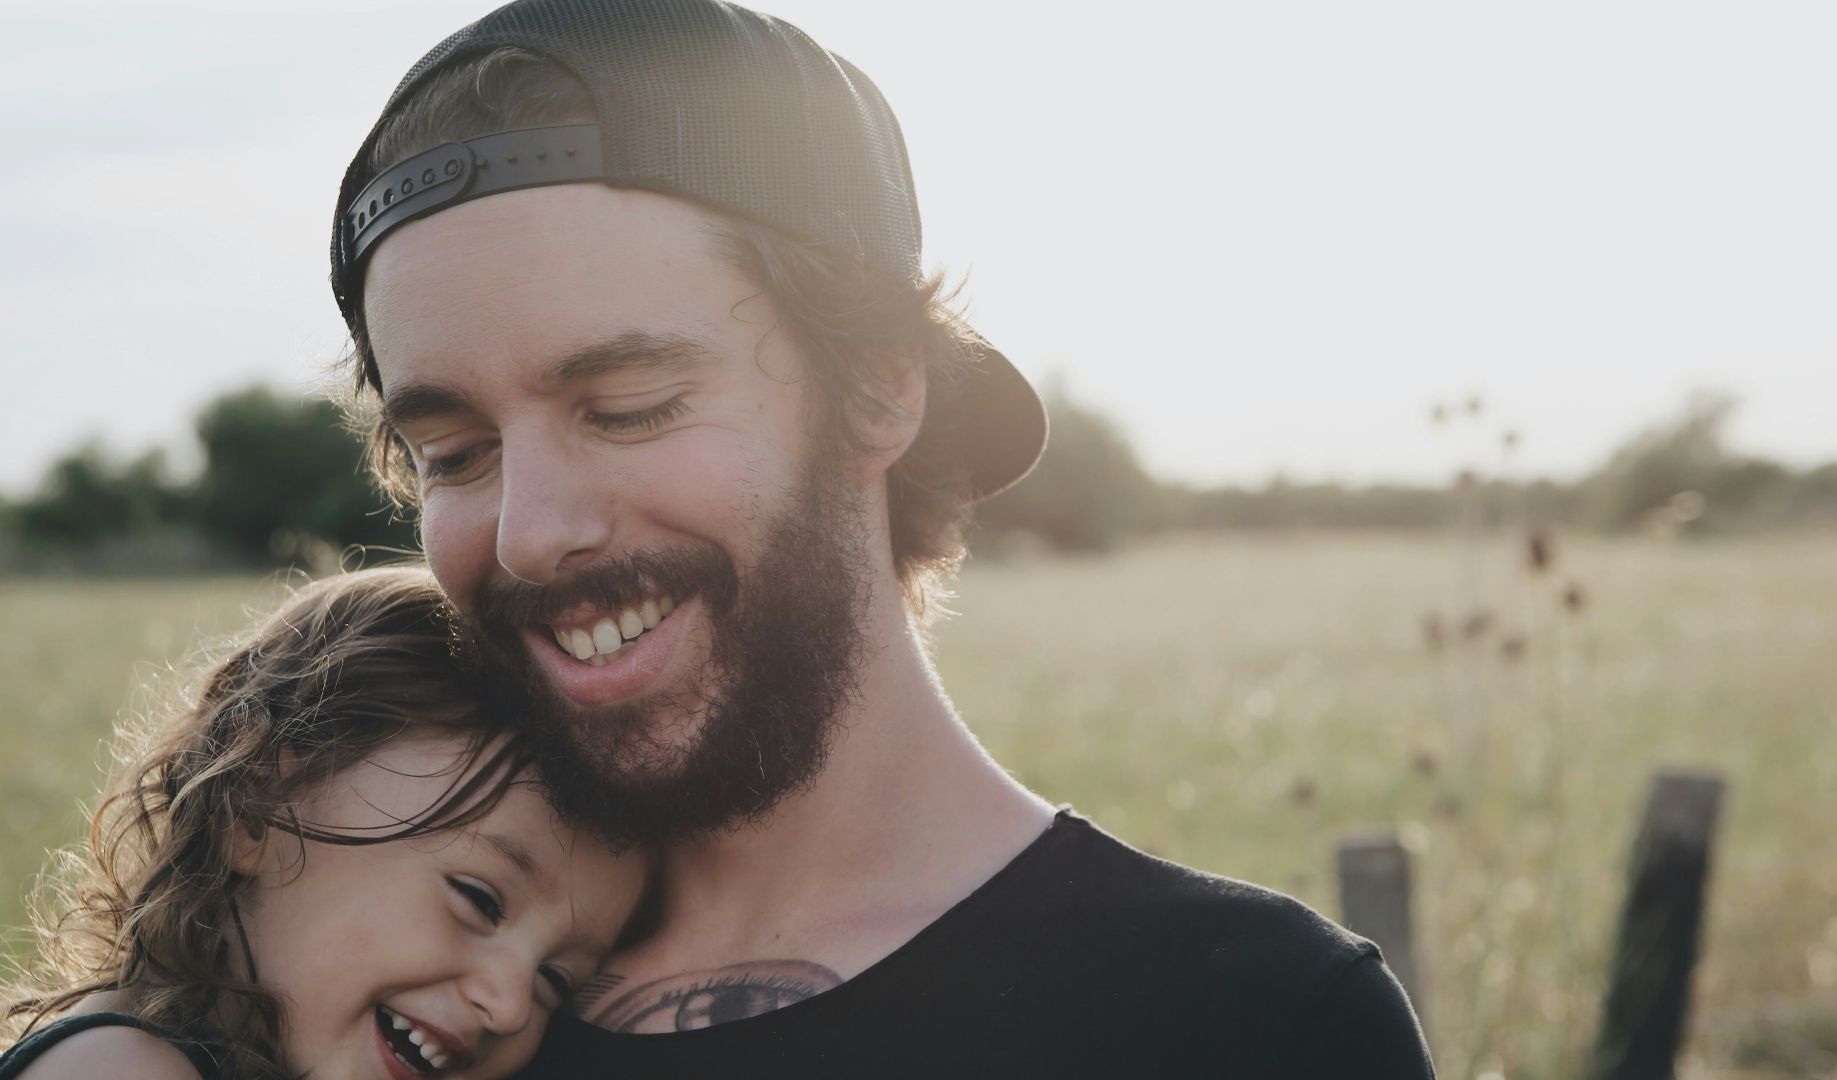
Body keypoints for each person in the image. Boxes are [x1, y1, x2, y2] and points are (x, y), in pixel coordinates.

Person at [329, 1, 1435, 1074]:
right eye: (457, 453)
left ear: (875, 391)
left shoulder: (1243, 1023)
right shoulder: (394, 1012)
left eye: (628, 406)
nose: (529, 533)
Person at [0, 568, 650, 1079]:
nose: (508, 1005)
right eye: (478, 900)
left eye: (555, 980)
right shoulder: (121, 1069)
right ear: (256, 802)